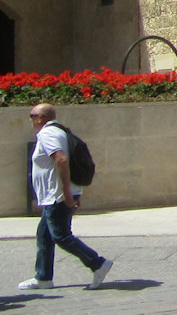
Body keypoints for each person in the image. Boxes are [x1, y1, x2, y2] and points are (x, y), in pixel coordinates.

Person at [18, 105, 114, 291]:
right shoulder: (59, 131)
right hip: (59, 194)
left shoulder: (48, 134)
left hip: (58, 195)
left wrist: (67, 194)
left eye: (32, 116)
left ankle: (97, 263)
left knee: (61, 235)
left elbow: (61, 159)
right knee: (44, 235)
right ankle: (43, 278)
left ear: (41, 118)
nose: (30, 120)